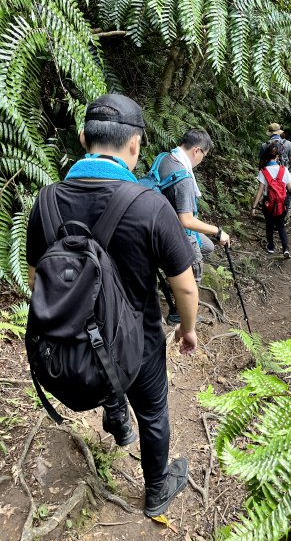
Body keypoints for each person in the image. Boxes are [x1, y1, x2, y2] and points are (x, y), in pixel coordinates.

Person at [26, 94, 199, 518]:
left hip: (77, 341)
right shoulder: (150, 206)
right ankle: (157, 489)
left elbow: (37, 279)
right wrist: (188, 328)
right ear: (135, 146)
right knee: (154, 410)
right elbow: (187, 288)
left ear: (83, 137)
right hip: (137, 343)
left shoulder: (46, 201)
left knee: (100, 347)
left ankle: (117, 419)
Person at [156, 128, 231, 324]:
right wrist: (218, 231)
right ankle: (180, 316)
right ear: (197, 150)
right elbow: (187, 221)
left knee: (208, 247)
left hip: (160, 223)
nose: (201, 160)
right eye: (204, 156)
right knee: (195, 265)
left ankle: (175, 279)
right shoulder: (184, 179)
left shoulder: (165, 158)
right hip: (177, 232)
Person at [252, 141, 291, 258]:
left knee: (269, 225)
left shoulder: (263, 171)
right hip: (282, 202)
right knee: (280, 226)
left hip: (267, 203)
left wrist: (254, 207)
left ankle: (271, 246)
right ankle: (285, 249)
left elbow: (260, 192)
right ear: (277, 156)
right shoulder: (284, 170)